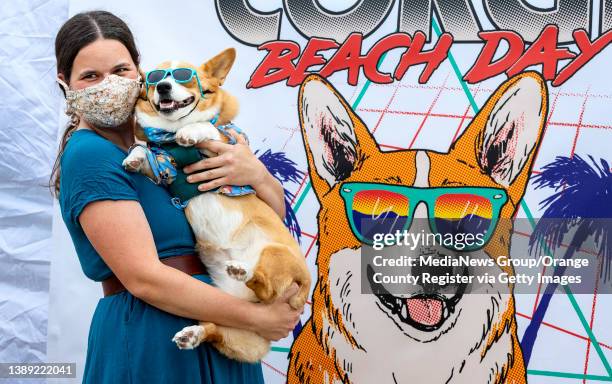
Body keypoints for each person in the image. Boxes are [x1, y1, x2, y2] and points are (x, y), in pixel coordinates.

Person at [51, 10, 303, 384]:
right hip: (156, 341)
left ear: (139, 71)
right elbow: (144, 278)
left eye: (120, 71)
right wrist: (257, 319)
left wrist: (258, 175)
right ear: (65, 83)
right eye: (90, 76)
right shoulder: (90, 155)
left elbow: (269, 220)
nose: (109, 84)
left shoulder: (166, 144)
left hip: (219, 330)